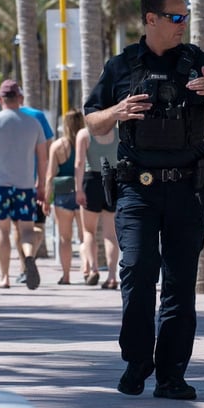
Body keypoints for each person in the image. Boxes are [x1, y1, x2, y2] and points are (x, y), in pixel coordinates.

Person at [84, 0, 204, 400]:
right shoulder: (122, 66)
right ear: (150, 19)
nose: (183, 24)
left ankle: (171, 375)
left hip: (187, 189)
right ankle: (137, 363)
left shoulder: (197, 63)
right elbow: (93, 123)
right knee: (136, 272)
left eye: (185, 17)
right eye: (175, 17)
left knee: (179, 283)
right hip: (137, 189)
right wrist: (117, 112)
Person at [0, 79, 47, 291]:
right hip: (25, 185)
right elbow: (43, 158)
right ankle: (29, 257)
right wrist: (41, 185)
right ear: (19, 98)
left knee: (2, 231)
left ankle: (4, 277)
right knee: (26, 229)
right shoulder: (33, 123)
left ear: (0, 99)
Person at [75, 124, 119, 289]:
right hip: (112, 181)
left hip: (91, 180)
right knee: (111, 234)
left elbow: (79, 163)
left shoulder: (84, 134)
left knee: (89, 231)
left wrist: (78, 189)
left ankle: (93, 269)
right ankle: (113, 276)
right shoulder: (118, 133)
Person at [43, 109, 85, 285]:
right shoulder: (85, 142)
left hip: (62, 195)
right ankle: (87, 271)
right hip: (82, 192)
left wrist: (46, 199)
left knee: (64, 238)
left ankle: (66, 276)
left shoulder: (58, 146)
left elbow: (50, 175)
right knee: (85, 237)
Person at [16, 103, 54, 284]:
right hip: (38, 181)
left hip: (16, 182)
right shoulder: (38, 115)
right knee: (37, 225)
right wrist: (45, 180)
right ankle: (31, 257)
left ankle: (23, 266)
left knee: (19, 228)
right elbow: (48, 148)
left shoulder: (7, 116)